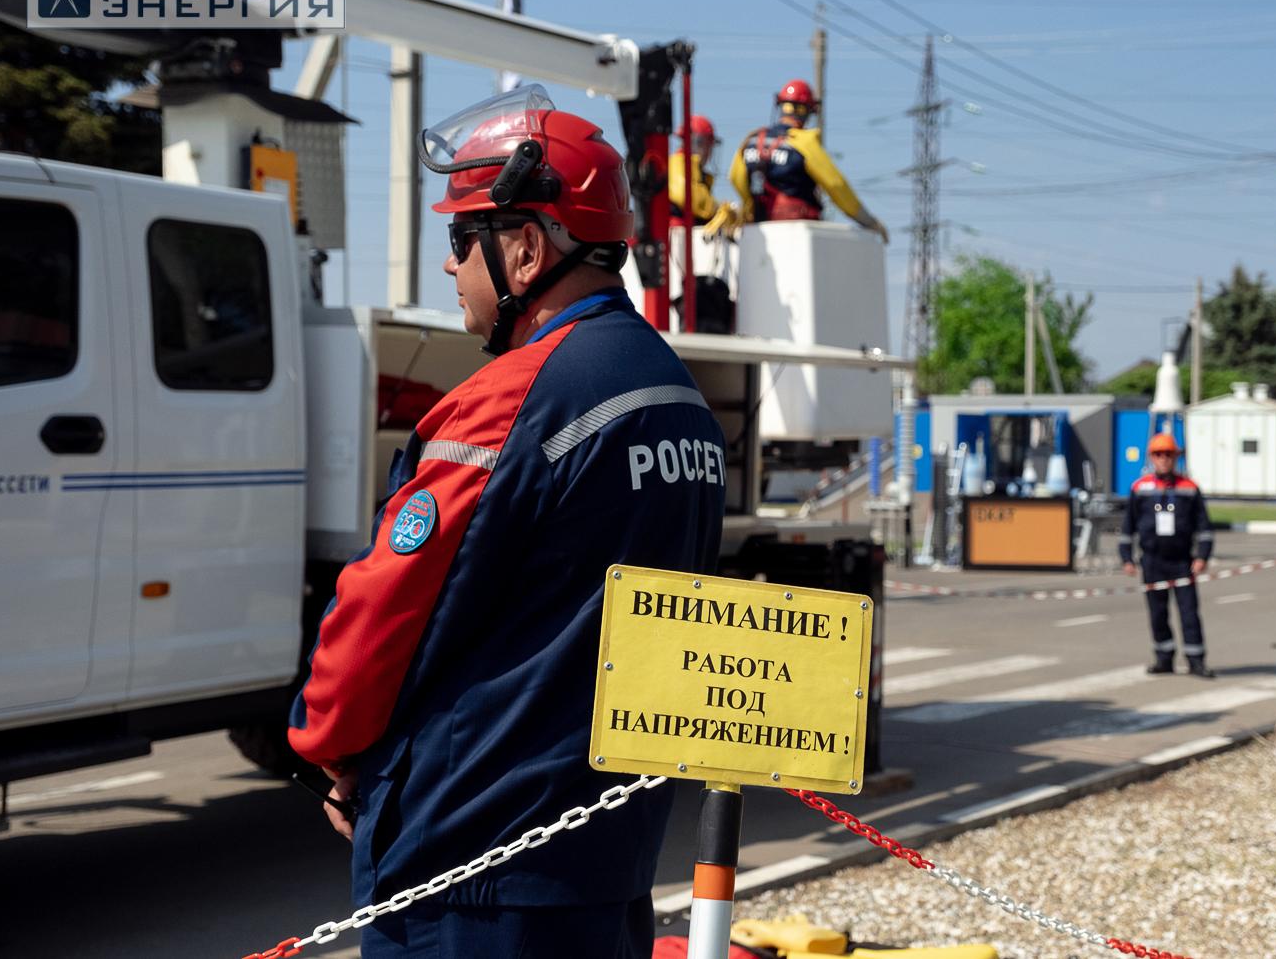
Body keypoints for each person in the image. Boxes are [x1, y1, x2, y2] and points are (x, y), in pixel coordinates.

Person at [288, 84, 727, 958]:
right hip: (606, 860)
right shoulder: (681, 399)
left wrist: (329, 745)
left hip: (471, 866)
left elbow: (387, 604)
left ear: (525, 249)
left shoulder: (509, 400)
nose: (450, 266)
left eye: (461, 238)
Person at [728, 78, 890, 242]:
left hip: (759, 229)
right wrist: (868, 221)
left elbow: (735, 178)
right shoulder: (804, 142)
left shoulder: (752, 141)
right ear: (807, 111)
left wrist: (752, 206)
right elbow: (836, 185)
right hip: (799, 230)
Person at [1119, 432, 1215, 678]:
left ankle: (1196, 660)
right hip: (1152, 561)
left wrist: (1202, 556)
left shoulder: (1189, 488)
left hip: (1182, 561)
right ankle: (1164, 658)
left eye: (1169, 454)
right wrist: (1126, 558)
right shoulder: (1140, 488)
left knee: (1189, 613)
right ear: (1151, 457)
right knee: (1157, 613)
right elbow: (1128, 526)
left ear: (1176, 457)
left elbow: (1204, 527)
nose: (1164, 459)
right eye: (1159, 454)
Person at [667, 113, 740, 236]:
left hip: (684, 234)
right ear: (698, 142)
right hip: (676, 235)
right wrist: (717, 209)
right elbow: (683, 194)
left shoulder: (692, 169)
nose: (709, 152)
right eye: (708, 145)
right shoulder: (678, 163)